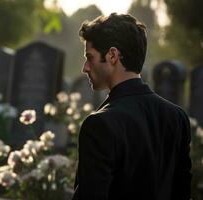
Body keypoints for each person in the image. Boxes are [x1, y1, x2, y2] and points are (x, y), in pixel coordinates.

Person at [72, 13, 192, 200]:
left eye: (90, 57)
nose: (85, 67)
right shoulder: (177, 117)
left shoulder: (99, 124)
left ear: (112, 55)